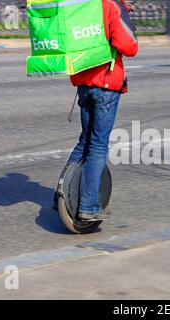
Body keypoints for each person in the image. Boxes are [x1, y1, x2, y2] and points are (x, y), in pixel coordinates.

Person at [64, 0, 138, 221]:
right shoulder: (110, 5)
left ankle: (62, 196)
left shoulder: (80, 5)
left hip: (83, 84)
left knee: (84, 140)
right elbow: (129, 46)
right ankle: (87, 205)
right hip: (104, 85)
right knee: (97, 145)